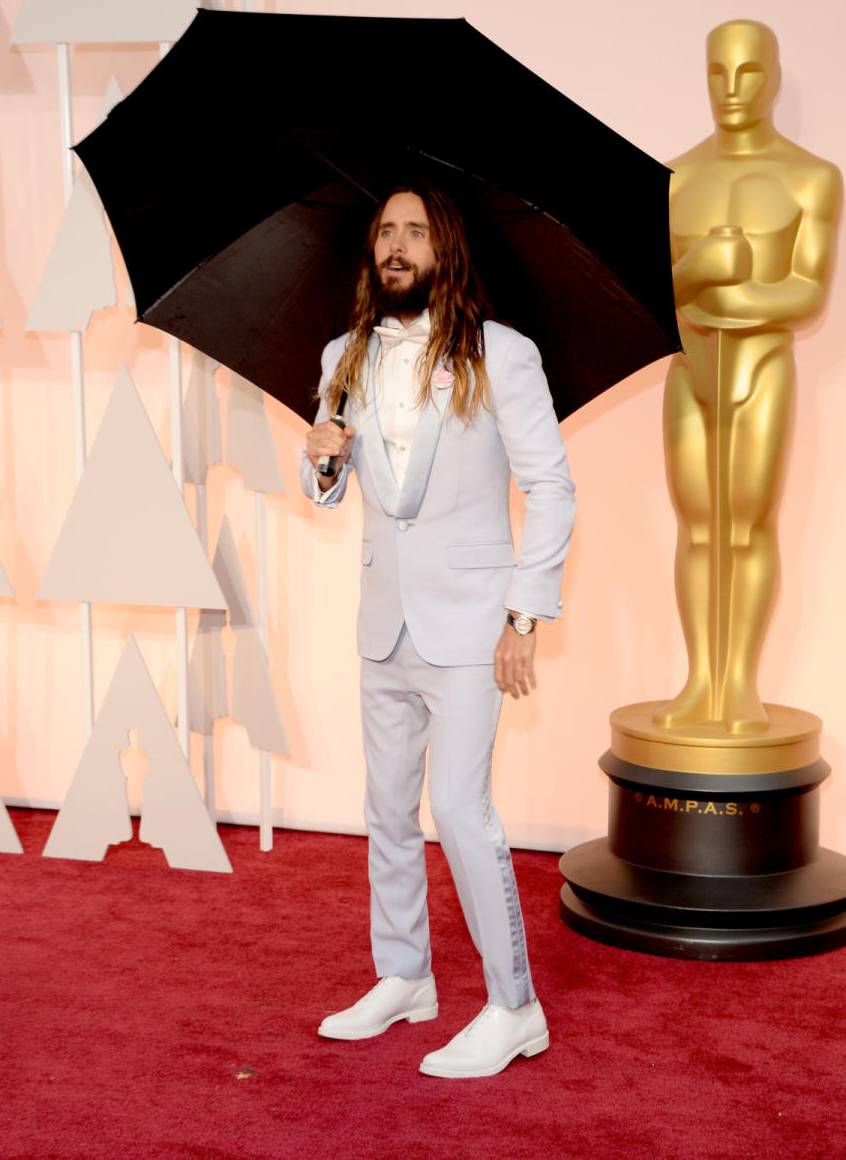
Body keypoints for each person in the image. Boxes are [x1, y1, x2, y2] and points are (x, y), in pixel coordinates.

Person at [301, 182, 576, 1078]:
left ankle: (515, 1007)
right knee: (386, 809)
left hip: (471, 627)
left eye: (415, 232)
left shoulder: (504, 357)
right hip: (383, 622)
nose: (397, 246)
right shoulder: (344, 355)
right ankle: (404, 977)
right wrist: (321, 462)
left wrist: (522, 616)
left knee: (460, 809)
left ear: (444, 251)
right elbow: (334, 489)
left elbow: (552, 489)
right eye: (386, 231)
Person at [656, 19, 842, 735]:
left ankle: (739, 686)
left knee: (749, 525)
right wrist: (700, 269)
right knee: (698, 527)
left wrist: (738, 297)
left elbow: (809, 292)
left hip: (761, 363)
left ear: (774, 77)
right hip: (691, 366)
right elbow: (653, 290)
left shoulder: (810, 178)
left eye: (748, 73)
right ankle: (700, 677)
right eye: (717, 73)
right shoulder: (674, 178)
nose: (731, 90)